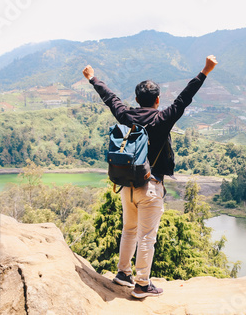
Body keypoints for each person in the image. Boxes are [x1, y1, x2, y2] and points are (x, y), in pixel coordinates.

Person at [82, 55, 218, 299]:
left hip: (127, 186)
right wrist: (205, 71)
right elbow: (184, 98)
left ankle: (123, 273)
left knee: (129, 230)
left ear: (136, 99)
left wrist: (93, 78)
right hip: (151, 187)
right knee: (147, 236)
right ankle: (142, 285)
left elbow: (110, 99)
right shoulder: (162, 119)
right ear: (157, 100)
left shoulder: (127, 116)